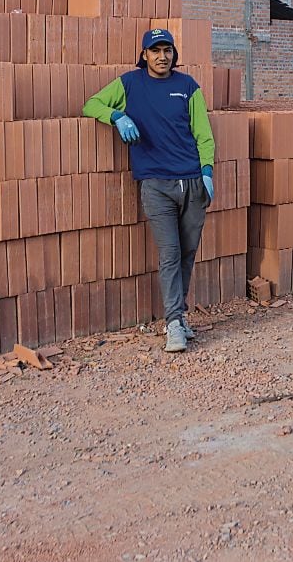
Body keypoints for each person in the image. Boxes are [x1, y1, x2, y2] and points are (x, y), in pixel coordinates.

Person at [83, 28, 215, 353]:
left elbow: (204, 135)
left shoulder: (188, 87)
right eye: (155, 51)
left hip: (193, 182)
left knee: (187, 253)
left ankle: (180, 315)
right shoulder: (129, 84)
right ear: (144, 55)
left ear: (174, 54)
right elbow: (91, 104)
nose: (162, 57)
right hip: (156, 184)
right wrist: (117, 116)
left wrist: (207, 173)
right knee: (170, 253)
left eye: (167, 50)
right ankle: (173, 324)